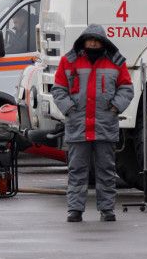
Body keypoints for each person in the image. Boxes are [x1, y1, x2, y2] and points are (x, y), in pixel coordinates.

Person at [50, 24, 134, 223]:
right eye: (89, 40)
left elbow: (127, 89)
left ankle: (107, 210)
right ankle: (75, 210)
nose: (93, 43)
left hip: (104, 125)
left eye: (96, 40)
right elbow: (58, 89)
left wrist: (115, 107)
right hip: (78, 125)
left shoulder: (116, 62)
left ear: (103, 42)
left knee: (106, 170)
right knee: (77, 170)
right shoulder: (68, 61)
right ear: (83, 41)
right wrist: (69, 109)